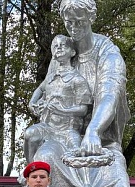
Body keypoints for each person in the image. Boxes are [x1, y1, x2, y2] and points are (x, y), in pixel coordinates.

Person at [31, 0, 135, 187]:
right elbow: (47, 89)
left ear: (90, 18)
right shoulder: (61, 54)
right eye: (69, 22)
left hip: (99, 144)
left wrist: (93, 130)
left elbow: (108, 95)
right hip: (63, 137)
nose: (73, 27)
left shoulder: (108, 53)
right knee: (44, 158)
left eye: (79, 21)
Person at [24, 34, 92, 163]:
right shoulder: (50, 77)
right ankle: (30, 171)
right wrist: (32, 103)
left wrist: (62, 110)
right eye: (55, 46)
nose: (58, 48)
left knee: (76, 154)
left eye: (63, 45)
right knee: (30, 134)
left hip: (68, 130)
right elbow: (40, 89)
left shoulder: (77, 80)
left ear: (72, 52)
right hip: (47, 126)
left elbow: (83, 110)